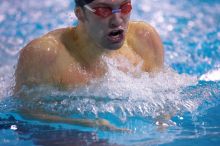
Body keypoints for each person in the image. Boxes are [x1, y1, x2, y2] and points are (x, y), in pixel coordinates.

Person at [14, 0, 164, 131]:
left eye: (125, 7)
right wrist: (84, 125)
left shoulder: (144, 40)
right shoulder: (46, 55)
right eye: (103, 10)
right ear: (80, 14)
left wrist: (162, 120)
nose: (118, 21)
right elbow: (25, 113)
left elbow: (165, 92)